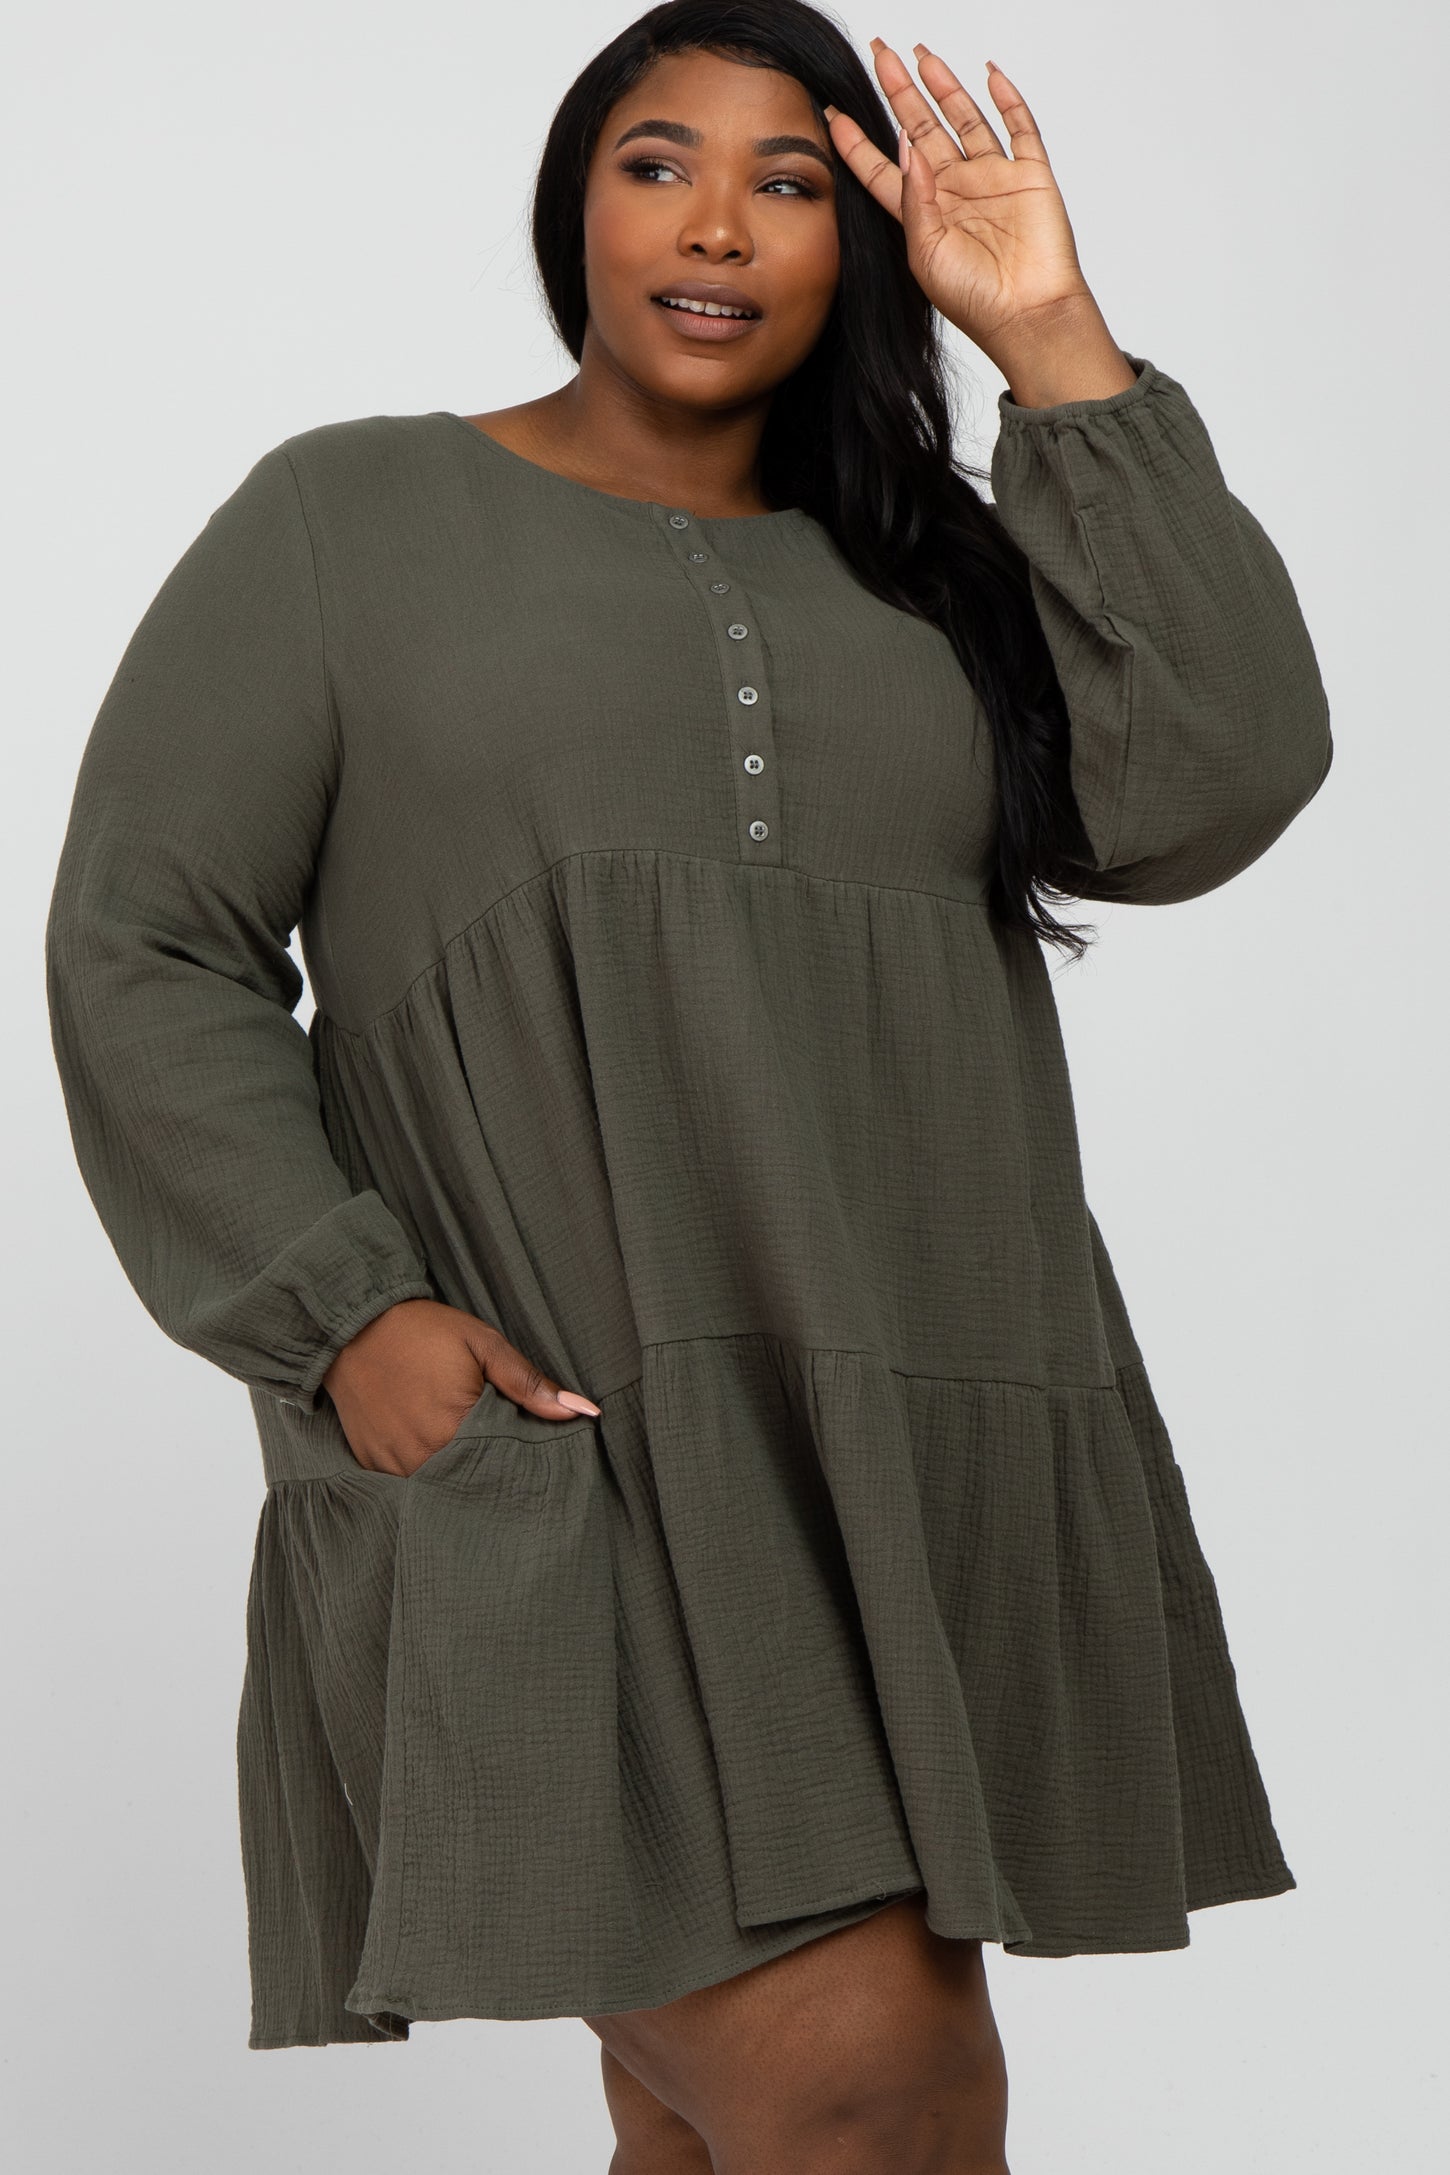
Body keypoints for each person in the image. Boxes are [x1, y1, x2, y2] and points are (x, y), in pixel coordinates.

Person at [44, 3, 1332, 2169]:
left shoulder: (933, 573)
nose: (715, 226)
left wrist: (1052, 344)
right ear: (576, 201)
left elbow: (1221, 771)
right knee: (873, 2091)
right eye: (657, 165)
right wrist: (342, 1309)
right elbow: (144, 939)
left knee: (719, 2129)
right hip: (570, 1445)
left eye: (789, 184)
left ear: (860, 243)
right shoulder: (348, 517)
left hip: (894, 1466)